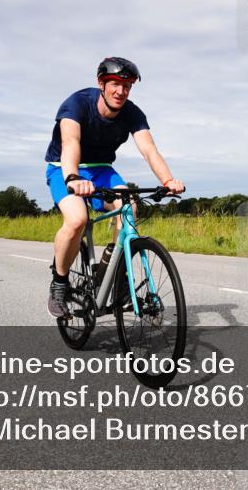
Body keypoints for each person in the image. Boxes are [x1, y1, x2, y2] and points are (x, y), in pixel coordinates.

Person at [44, 56, 184, 318]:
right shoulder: (77, 104)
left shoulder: (132, 113)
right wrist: (73, 178)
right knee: (77, 220)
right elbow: (70, 143)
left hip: (101, 170)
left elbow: (149, 150)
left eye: (127, 86)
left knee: (129, 208)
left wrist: (168, 181)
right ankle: (59, 285)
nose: (121, 91)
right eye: (115, 84)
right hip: (64, 167)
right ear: (101, 83)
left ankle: (111, 274)